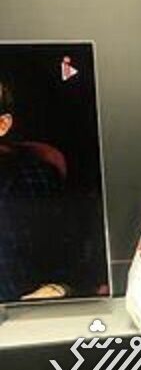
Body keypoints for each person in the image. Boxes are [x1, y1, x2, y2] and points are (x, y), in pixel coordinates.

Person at [0, 78, 69, 301]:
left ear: (3, 125)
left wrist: (58, 288)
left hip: (25, 311)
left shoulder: (36, 178)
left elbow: (71, 255)